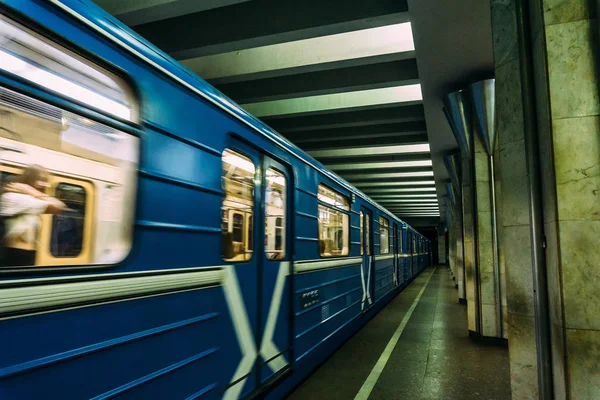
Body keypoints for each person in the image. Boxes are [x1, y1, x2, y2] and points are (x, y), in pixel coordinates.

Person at [0, 165, 66, 267]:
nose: (46, 185)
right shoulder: (18, 198)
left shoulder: (27, 199)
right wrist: (30, 190)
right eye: (41, 180)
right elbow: (58, 207)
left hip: (21, 254)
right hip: (16, 254)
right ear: (30, 180)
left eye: (46, 181)